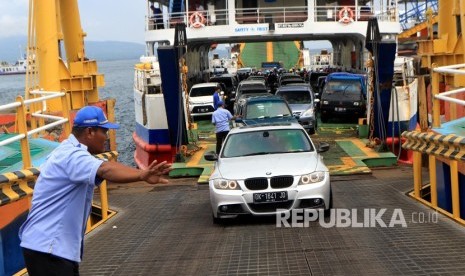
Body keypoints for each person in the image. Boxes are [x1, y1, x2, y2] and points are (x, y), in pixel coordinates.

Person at [19, 106, 172, 275]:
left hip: (46, 247)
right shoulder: (72, 156)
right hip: (49, 249)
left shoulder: (69, 151)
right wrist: (142, 175)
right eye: (104, 132)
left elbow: (105, 166)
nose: (107, 137)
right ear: (90, 131)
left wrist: (140, 174)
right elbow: (105, 169)